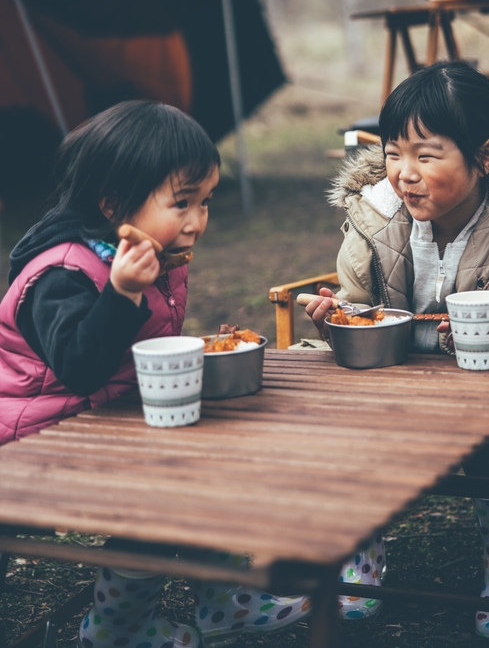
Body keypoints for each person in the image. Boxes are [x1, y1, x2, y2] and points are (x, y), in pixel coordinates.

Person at [0, 101, 309, 648]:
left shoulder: (150, 256)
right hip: (34, 441)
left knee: (213, 455)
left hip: (103, 422)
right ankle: (118, 628)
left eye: (205, 201)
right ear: (114, 202)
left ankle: (225, 602)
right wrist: (120, 294)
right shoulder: (62, 273)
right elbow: (79, 367)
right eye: (181, 203)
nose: (198, 221)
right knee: (165, 489)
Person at [306, 61, 489, 639]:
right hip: (391, 369)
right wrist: (339, 318)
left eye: (426, 155)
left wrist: (482, 335)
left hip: (481, 375)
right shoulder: (376, 217)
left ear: (483, 157)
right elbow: (360, 304)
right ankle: (362, 558)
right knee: (350, 424)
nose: (405, 174)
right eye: (393, 153)